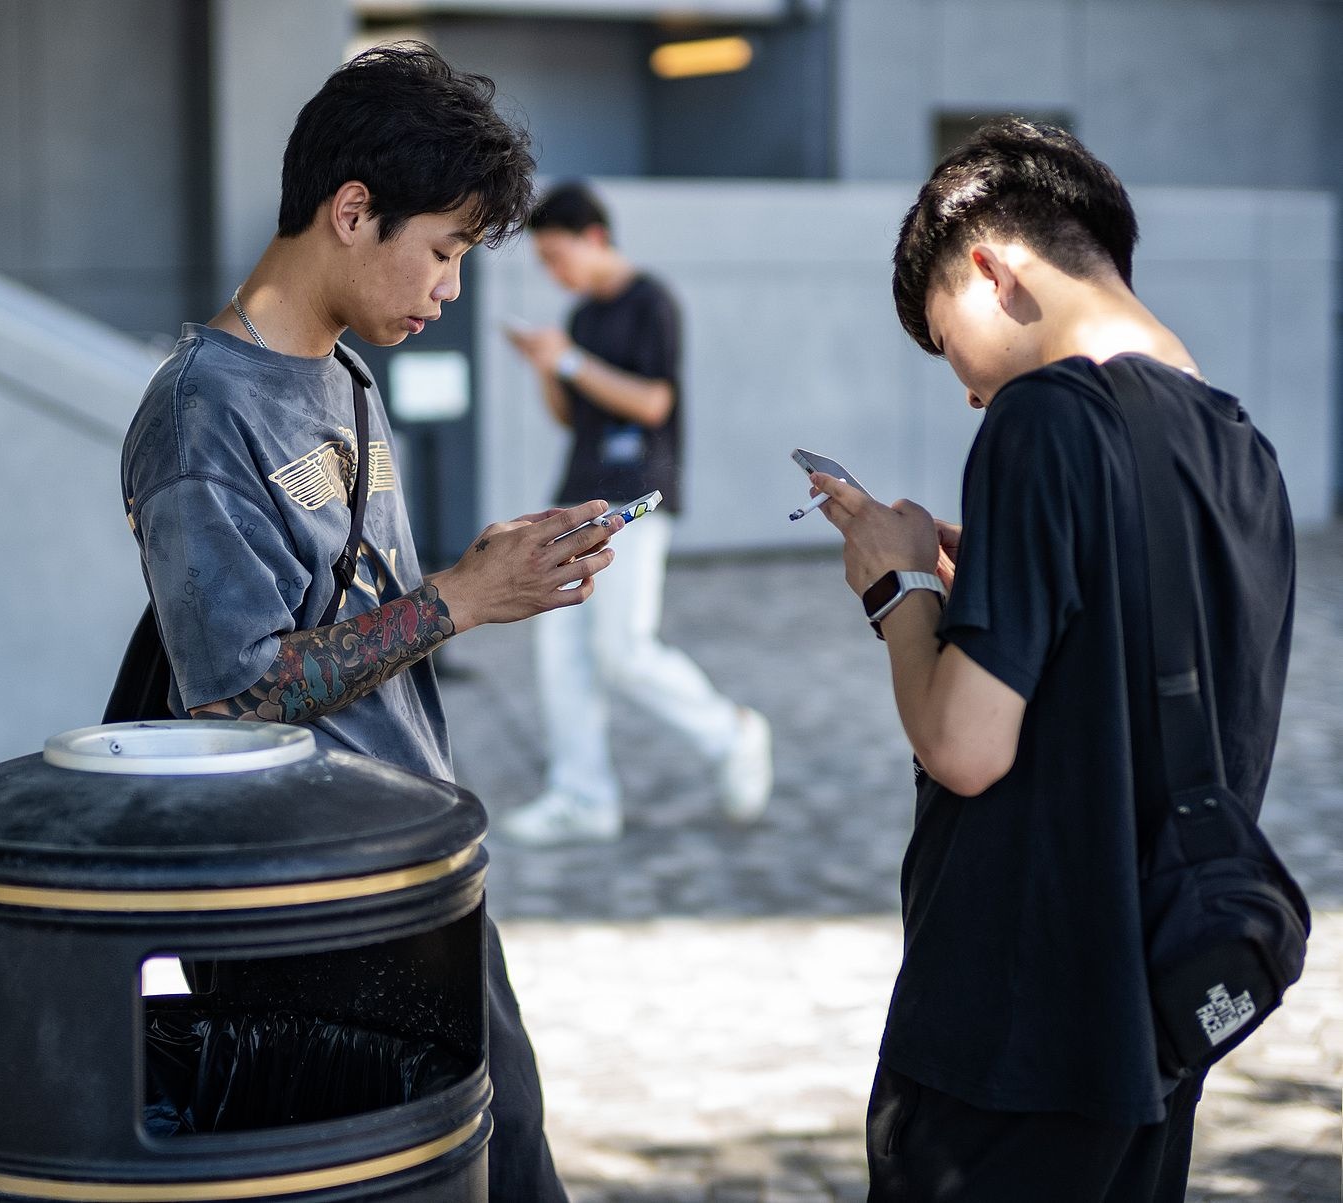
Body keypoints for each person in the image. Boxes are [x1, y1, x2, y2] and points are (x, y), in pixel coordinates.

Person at [119, 44, 608, 1203]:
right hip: (304, 917)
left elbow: (362, 615)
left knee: (508, 1158)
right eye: (439, 251)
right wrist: (459, 598)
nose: (448, 287)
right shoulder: (199, 415)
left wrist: (478, 574)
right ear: (352, 212)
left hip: (416, 865)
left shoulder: (345, 375)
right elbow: (230, 699)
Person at [811, 118, 1296, 1201]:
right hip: (1154, 1021)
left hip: (1009, 1032)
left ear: (990, 269)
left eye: (949, 349)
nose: (968, 392)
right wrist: (985, 570)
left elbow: (962, 745)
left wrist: (899, 587)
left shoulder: (1041, 419)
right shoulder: (1238, 449)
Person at [501, 181, 773, 845]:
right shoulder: (583, 319)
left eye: (556, 255)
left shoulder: (651, 301)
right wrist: (546, 368)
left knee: (621, 650)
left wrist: (567, 359)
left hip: (638, 496)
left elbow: (653, 402)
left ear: (595, 237)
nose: (553, 272)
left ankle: (731, 732)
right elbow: (574, 416)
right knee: (560, 648)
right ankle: (582, 794)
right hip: (580, 490)